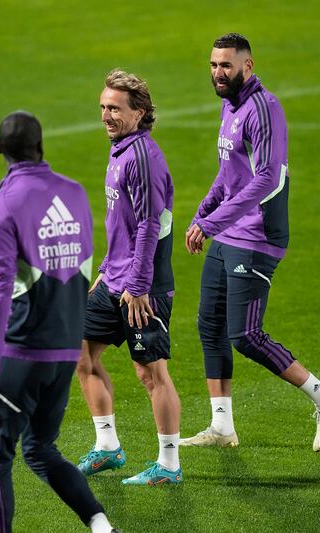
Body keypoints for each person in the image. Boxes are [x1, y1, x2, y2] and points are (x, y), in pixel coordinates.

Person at [181, 33, 320, 452]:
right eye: (213, 65)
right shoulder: (230, 105)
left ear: (248, 66)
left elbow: (267, 179)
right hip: (229, 230)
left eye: (226, 66)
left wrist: (214, 221)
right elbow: (229, 170)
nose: (218, 73)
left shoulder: (264, 108)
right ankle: (222, 427)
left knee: (245, 335)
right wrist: (204, 213)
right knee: (209, 323)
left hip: (257, 234)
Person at [0, 111, 118, 533]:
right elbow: (80, 266)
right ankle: (101, 525)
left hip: (21, 353)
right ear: (41, 145)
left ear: (0, 151)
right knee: (40, 447)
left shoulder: (1, 206)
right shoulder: (75, 194)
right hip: (67, 349)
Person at [75, 69, 182, 486]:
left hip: (143, 287)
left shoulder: (142, 156)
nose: (106, 115)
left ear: (139, 112)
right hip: (115, 278)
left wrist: (136, 286)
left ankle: (169, 465)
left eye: (114, 109)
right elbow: (120, 223)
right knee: (82, 354)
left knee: (151, 373)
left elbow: (148, 225)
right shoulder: (120, 148)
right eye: (103, 107)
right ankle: (107, 448)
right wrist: (106, 269)